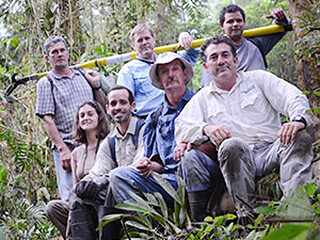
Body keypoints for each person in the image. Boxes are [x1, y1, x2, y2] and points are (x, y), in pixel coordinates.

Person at [175, 35, 313, 219]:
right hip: (239, 158)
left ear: (236, 60)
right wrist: (205, 128)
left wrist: (297, 120)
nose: (221, 61)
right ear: (206, 67)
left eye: (225, 55)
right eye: (214, 58)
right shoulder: (203, 98)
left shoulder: (258, 79)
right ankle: (246, 214)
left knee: (299, 136)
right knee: (231, 145)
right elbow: (181, 126)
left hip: (272, 149)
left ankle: (297, 213)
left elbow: (292, 96)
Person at [110, 52, 195, 209]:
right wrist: (149, 165)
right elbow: (158, 164)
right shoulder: (155, 118)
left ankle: (199, 213)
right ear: (159, 80)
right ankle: (151, 226)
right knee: (118, 176)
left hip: (198, 174)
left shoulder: (200, 101)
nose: (170, 75)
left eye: (175, 69)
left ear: (184, 73)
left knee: (192, 157)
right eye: (164, 72)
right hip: (170, 181)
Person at [36, 36, 108, 201]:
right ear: (47, 58)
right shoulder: (46, 83)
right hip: (68, 146)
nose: (59, 54)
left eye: (62, 50)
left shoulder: (83, 76)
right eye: (54, 52)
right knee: (72, 197)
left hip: (94, 145)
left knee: (101, 190)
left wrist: (96, 85)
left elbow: (102, 107)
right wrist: (62, 150)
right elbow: (47, 119)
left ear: (68, 53)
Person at [70, 85, 145, 240]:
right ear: (108, 109)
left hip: (143, 192)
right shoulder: (110, 141)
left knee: (112, 184)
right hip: (118, 196)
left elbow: (138, 166)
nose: (118, 107)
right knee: (81, 195)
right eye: (113, 104)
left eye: (122, 102)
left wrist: (104, 179)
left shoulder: (143, 129)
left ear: (132, 106)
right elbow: (97, 171)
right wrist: (85, 184)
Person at [46, 100, 110, 239]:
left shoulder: (109, 143)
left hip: (102, 200)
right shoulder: (76, 152)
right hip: (81, 202)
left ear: (99, 117)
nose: (85, 118)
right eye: (82, 115)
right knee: (53, 207)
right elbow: (76, 186)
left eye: (90, 114)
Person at [117, 23, 199, 118]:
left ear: (153, 40)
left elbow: (191, 56)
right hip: (148, 119)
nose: (144, 42)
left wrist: (185, 38)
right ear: (133, 45)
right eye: (140, 40)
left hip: (180, 111)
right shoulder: (128, 70)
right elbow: (123, 101)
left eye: (147, 38)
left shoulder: (168, 59)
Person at [201, 4, 292, 87]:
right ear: (222, 25)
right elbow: (208, 88)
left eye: (239, 20)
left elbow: (282, 26)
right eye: (230, 21)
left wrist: (280, 17)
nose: (235, 24)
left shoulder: (257, 44)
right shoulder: (214, 55)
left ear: (244, 23)